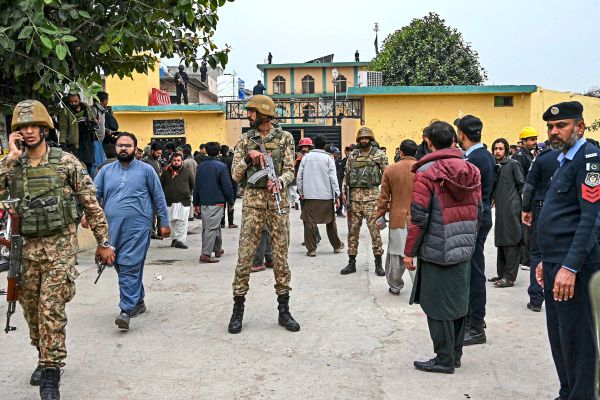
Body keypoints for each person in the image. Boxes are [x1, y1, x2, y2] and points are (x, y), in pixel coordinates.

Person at [0, 100, 115, 399]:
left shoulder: (66, 162)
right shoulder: (13, 166)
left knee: (51, 308)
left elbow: (90, 202)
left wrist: (103, 242)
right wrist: (10, 158)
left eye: (34, 126)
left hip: (59, 249)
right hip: (25, 251)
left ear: (44, 128)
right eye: (23, 127)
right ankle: (42, 354)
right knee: (31, 311)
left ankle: (51, 372)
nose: (29, 131)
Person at [404, 120, 482, 374]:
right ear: (453, 141)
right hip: (463, 247)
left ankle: (444, 359)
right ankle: (455, 354)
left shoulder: (426, 172)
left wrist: (409, 252)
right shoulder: (472, 169)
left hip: (436, 249)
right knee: (458, 303)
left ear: (428, 142)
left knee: (436, 306)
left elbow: (419, 218)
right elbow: (479, 210)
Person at [536, 101, 600, 400]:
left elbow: (590, 219)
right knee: (559, 335)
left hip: (574, 266)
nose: (554, 131)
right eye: (550, 126)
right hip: (554, 262)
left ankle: (581, 395)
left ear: (580, 127)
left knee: (578, 338)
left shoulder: (589, 160)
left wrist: (570, 266)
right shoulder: (563, 160)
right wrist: (545, 260)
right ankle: (567, 391)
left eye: (561, 125)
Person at [228, 94, 299, 334]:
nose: (248, 115)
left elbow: (290, 170)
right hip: (253, 205)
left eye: (251, 111)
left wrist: (280, 181)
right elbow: (235, 175)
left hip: (278, 205)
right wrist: (249, 158)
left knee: (280, 258)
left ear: (263, 114)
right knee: (245, 257)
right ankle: (238, 309)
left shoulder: (285, 138)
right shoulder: (245, 140)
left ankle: (284, 310)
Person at [94, 132, 170, 331]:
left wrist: (164, 222)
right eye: (120, 145)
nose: (123, 148)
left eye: (128, 145)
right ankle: (138, 300)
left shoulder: (146, 170)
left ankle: (125, 310)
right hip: (112, 228)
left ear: (135, 149)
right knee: (119, 263)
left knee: (129, 265)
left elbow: (159, 197)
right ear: (115, 148)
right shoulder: (105, 171)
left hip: (138, 227)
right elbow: (94, 196)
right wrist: (87, 215)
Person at [455, 114, 495, 346]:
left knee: (474, 273)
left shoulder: (473, 159)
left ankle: (476, 325)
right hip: (482, 215)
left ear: (461, 134)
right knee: (474, 269)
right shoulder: (485, 155)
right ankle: (476, 318)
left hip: (475, 219)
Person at [341, 127, 388, 276]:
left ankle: (378, 263)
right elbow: (346, 175)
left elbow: (386, 177)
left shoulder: (379, 155)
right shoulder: (352, 155)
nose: (364, 140)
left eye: (366, 138)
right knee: (352, 232)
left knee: (375, 232)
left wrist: (385, 198)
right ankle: (351, 262)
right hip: (354, 200)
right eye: (361, 138)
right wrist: (344, 194)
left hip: (372, 200)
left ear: (371, 139)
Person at [376, 139, 417, 295]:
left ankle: (395, 285)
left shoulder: (390, 169)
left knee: (395, 254)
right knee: (414, 254)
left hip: (397, 218)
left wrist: (379, 215)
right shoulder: (422, 169)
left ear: (401, 152)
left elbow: (384, 197)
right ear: (415, 152)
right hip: (417, 218)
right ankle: (419, 287)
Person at [522, 143, 559, 312]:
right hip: (568, 209)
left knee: (537, 252)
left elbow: (530, 186)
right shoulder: (580, 156)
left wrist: (526, 209)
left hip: (542, 207)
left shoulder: (543, 158)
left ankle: (536, 298)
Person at [297, 134, 344, 257]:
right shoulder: (329, 158)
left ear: (313, 145)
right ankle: (337, 246)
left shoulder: (306, 158)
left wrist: (301, 192)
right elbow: (333, 178)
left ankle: (311, 249)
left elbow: (299, 177)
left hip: (310, 196)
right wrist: (337, 194)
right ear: (325, 145)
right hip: (326, 196)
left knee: (309, 223)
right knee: (331, 222)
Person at [489, 138, 524, 288]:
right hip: (501, 209)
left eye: (501, 149)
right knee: (501, 240)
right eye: (495, 148)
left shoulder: (513, 164)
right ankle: (502, 274)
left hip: (512, 208)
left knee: (511, 240)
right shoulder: (495, 166)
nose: (497, 151)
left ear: (506, 150)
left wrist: (524, 208)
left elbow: (522, 185)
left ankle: (509, 277)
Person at [194, 142, 234, 263]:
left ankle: (217, 249)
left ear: (206, 151)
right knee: (211, 228)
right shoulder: (221, 166)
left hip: (204, 200)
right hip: (217, 201)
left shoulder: (200, 166)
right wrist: (230, 201)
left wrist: (196, 202)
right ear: (218, 152)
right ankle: (205, 254)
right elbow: (227, 186)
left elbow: (197, 186)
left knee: (212, 225)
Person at [58, 90, 98, 174]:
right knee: (78, 165)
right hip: (75, 143)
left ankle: (88, 180)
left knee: (89, 164)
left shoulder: (85, 107)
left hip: (88, 141)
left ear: (79, 99)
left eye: (76, 101)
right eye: (71, 102)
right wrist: (62, 143)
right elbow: (63, 129)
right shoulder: (66, 111)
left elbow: (93, 119)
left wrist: (93, 124)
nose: (74, 103)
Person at [160, 152, 194, 249]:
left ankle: (180, 241)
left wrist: (187, 193)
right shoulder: (165, 172)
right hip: (169, 201)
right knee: (172, 222)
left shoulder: (187, 172)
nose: (176, 162)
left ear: (182, 161)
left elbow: (192, 185)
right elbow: (161, 186)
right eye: (174, 160)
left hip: (184, 201)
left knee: (182, 222)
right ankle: (174, 239)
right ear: (171, 161)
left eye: (178, 160)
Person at [219, 144, 238, 228]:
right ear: (227, 151)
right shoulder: (232, 160)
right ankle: (231, 223)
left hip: (221, 184)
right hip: (232, 183)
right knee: (231, 203)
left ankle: (222, 222)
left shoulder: (219, 160)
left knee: (222, 204)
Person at [182, 144, 198, 221]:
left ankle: (189, 215)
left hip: (187, 183)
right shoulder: (194, 161)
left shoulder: (185, 162)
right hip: (194, 182)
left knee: (188, 199)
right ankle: (192, 215)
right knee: (191, 199)